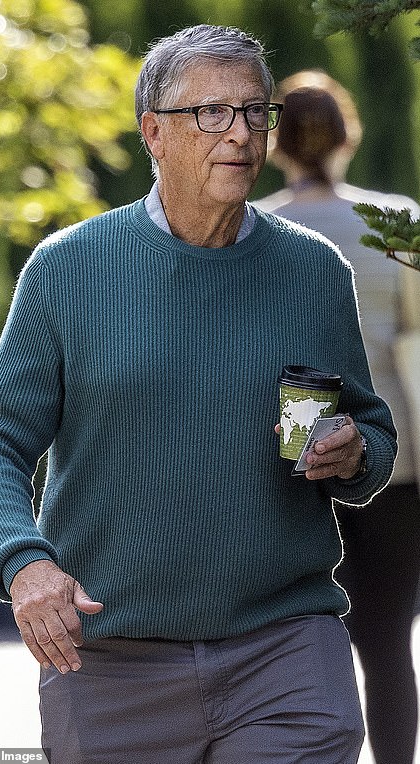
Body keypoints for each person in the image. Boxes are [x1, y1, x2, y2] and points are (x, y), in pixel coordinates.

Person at [0, 26, 397, 764]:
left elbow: (370, 437)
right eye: (212, 114)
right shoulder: (70, 269)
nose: (241, 134)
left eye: (256, 112)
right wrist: (23, 562)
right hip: (108, 666)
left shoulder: (312, 270)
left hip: (285, 649)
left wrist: (353, 453)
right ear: (154, 133)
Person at [255, 70, 420, 764]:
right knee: (388, 648)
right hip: (398, 460)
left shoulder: (254, 227)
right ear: (349, 136)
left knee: (300, 646)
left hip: (294, 460)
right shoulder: (396, 221)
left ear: (274, 143)